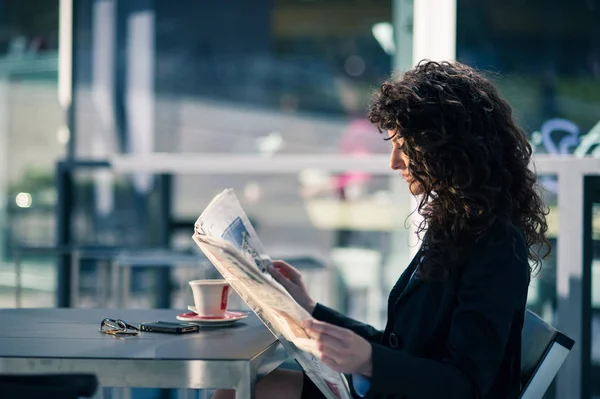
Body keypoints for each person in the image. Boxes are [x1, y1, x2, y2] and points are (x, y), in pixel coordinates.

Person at [213, 60, 550, 399]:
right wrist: (309, 308)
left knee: (237, 393)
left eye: (403, 147)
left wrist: (371, 361)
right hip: (398, 389)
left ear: (444, 148)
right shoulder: (455, 225)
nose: (394, 162)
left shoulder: (496, 244)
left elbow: (466, 385)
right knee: (236, 391)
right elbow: (396, 344)